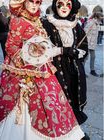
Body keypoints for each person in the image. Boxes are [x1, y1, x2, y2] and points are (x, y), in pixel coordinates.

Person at [0, 0, 85, 140]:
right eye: (31, 2)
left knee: (52, 103)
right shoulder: (18, 20)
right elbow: (10, 46)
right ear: (24, 3)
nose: (35, 5)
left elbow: (43, 41)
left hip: (41, 66)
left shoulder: (37, 20)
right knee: (16, 103)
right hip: (21, 70)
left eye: (38, 2)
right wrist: (27, 59)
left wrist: (45, 49)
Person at [42, 0, 90, 139]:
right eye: (60, 4)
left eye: (67, 4)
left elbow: (84, 46)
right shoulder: (47, 24)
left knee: (75, 97)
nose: (64, 7)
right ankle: (60, 132)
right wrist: (63, 51)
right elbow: (42, 49)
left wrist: (77, 53)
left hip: (74, 69)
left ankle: (74, 131)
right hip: (56, 70)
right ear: (55, 6)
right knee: (59, 100)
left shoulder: (76, 25)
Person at [84, 13, 101, 77]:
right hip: (88, 43)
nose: (102, 19)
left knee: (93, 57)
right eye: (101, 17)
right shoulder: (91, 23)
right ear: (97, 17)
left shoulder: (97, 24)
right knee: (85, 58)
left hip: (92, 44)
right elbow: (85, 32)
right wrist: (86, 41)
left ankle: (92, 70)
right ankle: (82, 71)